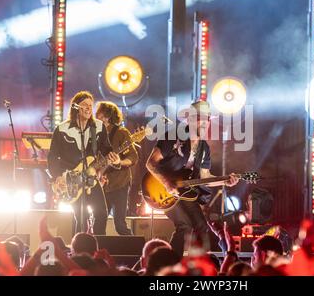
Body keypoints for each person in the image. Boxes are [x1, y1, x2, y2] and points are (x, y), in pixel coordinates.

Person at [145, 100, 239, 257]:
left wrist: (225, 181)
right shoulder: (173, 136)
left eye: (206, 119)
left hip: (184, 192)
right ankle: (172, 268)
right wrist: (167, 183)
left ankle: (200, 268)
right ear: (189, 120)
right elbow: (150, 163)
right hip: (160, 188)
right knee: (184, 225)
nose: (203, 122)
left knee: (202, 226)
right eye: (198, 118)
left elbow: (205, 177)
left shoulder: (204, 148)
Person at [48, 91, 121, 235]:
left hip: (90, 178)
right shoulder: (62, 129)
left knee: (101, 213)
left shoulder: (98, 127)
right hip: (70, 180)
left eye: (90, 105)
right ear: (75, 107)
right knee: (81, 217)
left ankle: (98, 248)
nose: (88, 108)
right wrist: (57, 177)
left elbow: (106, 150)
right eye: (84, 105)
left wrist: (115, 159)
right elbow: (52, 157)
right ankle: (78, 251)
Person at [96, 101, 139, 235]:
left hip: (120, 182)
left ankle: (136, 252)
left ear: (108, 116)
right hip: (101, 183)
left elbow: (133, 157)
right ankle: (97, 252)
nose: (99, 118)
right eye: (98, 115)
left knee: (120, 224)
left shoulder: (121, 132)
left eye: (102, 115)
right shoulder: (95, 133)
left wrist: (120, 162)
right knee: (98, 222)